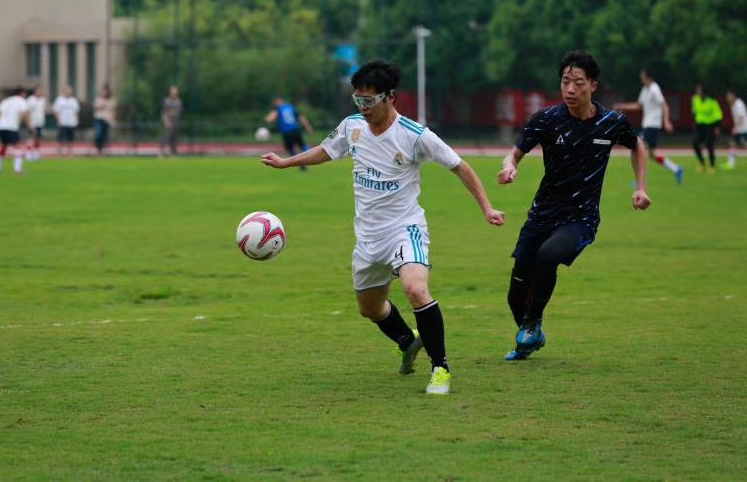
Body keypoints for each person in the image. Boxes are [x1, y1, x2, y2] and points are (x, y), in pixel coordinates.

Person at [261, 59, 505, 394]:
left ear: (390, 97)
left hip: (405, 229)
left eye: (369, 100)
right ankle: (407, 341)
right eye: (358, 100)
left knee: (415, 289)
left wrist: (487, 207)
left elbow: (460, 166)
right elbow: (326, 150)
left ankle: (440, 369)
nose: (363, 107)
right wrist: (286, 162)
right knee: (370, 309)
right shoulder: (352, 127)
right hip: (368, 238)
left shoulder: (414, 136)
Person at [497, 50, 650, 361]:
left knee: (548, 256)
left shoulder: (611, 123)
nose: (570, 89)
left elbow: (638, 146)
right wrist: (510, 166)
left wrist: (640, 187)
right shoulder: (546, 120)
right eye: (565, 81)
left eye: (578, 83)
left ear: (593, 85)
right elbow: (514, 153)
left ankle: (533, 322)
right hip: (542, 215)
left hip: (581, 218)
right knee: (515, 296)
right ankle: (531, 336)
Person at [614, 69, 683, 184]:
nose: (641, 78)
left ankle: (641, 182)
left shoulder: (654, 89)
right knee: (652, 154)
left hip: (652, 125)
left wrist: (666, 121)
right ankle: (676, 169)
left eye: (642, 76)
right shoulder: (645, 89)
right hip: (648, 125)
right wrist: (622, 106)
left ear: (648, 77)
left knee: (638, 149)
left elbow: (664, 106)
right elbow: (638, 106)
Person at [264, 97, 315, 171]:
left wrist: (266, 121)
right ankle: (313, 156)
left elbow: (270, 118)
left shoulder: (278, 109)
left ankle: (301, 164)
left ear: (278, 102)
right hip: (296, 130)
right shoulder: (291, 107)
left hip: (287, 132)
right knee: (302, 145)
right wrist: (308, 127)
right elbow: (301, 117)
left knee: (290, 149)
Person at [0, 87, 30, 174]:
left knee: (3, 146)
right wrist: (29, 124)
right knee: (17, 146)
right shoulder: (21, 101)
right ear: (21, 93)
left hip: (1, 126)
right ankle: (18, 169)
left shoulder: (6, 101)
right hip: (11, 126)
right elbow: (24, 113)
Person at [52, 86, 80, 156]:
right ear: (64, 91)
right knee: (60, 138)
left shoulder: (73, 100)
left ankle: (70, 153)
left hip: (71, 122)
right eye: (67, 90)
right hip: (63, 122)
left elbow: (76, 112)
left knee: (70, 139)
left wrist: (76, 120)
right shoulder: (59, 100)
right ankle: (58, 153)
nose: (68, 92)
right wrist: (58, 120)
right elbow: (56, 111)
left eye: (69, 90)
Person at [724, 91, 746, 170]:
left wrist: (735, 127)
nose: (728, 99)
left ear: (733, 96)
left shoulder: (739, 104)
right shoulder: (733, 105)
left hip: (743, 129)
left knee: (744, 145)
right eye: (727, 97)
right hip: (739, 129)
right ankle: (731, 163)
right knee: (732, 143)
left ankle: (731, 163)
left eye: (729, 97)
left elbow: (741, 117)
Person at [93, 85, 116, 156]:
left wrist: (113, 119)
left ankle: (103, 151)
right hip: (99, 118)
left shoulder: (111, 100)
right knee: (98, 135)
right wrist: (103, 105)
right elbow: (95, 108)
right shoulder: (98, 99)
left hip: (107, 120)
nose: (104, 93)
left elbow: (113, 110)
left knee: (105, 136)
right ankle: (98, 151)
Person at [159, 85, 183, 156]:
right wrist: (166, 122)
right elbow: (163, 113)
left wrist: (173, 113)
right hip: (168, 122)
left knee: (174, 139)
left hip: (175, 122)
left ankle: (173, 153)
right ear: (170, 93)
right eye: (173, 92)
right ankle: (161, 152)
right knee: (166, 137)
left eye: (175, 92)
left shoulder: (179, 102)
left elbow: (179, 112)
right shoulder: (166, 101)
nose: (174, 94)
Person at [26, 86, 46, 160]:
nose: (40, 92)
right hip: (32, 122)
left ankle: (36, 153)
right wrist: (29, 122)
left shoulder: (42, 100)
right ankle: (28, 153)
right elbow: (27, 111)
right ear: (35, 92)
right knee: (32, 137)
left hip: (40, 122)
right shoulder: (30, 99)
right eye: (38, 91)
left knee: (38, 138)